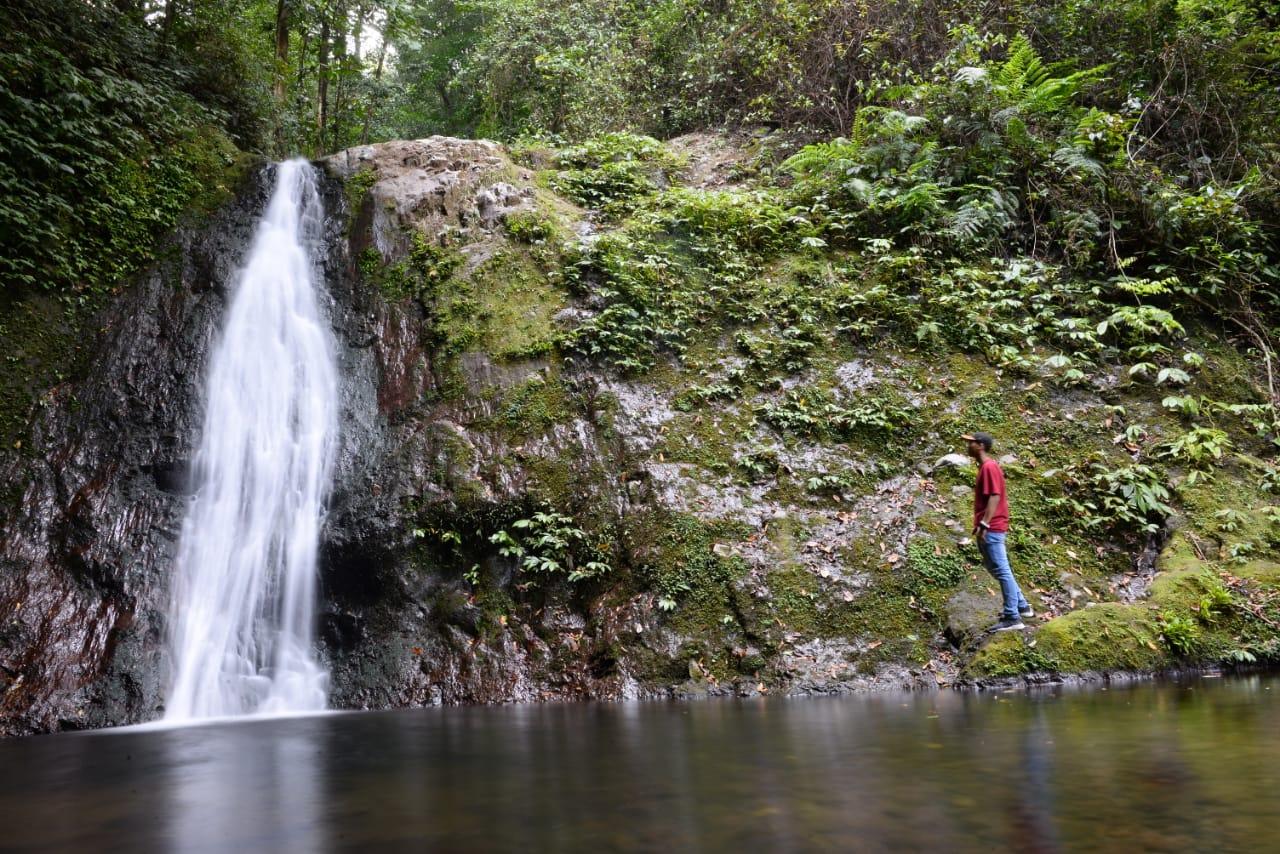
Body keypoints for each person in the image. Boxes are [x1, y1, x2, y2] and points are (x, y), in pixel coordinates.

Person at [962, 431, 1033, 632]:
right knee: (996, 568)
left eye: (971, 443)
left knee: (1001, 570)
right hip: (990, 526)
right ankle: (1022, 606)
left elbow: (995, 496)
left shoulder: (989, 466)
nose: (968, 446)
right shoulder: (985, 467)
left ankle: (1012, 617)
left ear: (981, 445)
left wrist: (985, 524)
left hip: (992, 527)